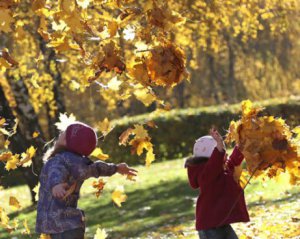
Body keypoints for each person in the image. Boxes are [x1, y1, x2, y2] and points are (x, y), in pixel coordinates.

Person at [36, 122, 137, 239]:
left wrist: (56, 184)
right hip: (70, 223)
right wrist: (116, 168)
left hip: (60, 225)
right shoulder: (79, 163)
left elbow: (56, 171)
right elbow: (97, 168)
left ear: (69, 142)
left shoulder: (59, 160)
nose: (61, 133)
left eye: (65, 133)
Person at [185, 128, 249, 239]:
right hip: (210, 226)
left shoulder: (219, 170)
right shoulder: (207, 175)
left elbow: (232, 162)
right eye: (222, 151)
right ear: (212, 157)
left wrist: (243, 144)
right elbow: (213, 165)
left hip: (219, 223)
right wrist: (219, 146)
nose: (226, 153)